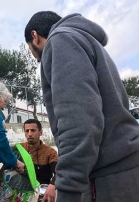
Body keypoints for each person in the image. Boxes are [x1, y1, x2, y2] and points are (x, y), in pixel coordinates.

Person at [24, 11, 139, 202]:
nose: (36, 58)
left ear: (34, 36)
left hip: (108, 179)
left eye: (29, 47)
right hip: (123, 172)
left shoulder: (60, 41)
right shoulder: (87, 42)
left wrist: (68, 191)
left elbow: (80, 124)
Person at [20, 119, 57, 202]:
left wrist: (52, 185)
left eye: (33, 130)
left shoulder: (50, 152)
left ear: (40, 132)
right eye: (27, 131)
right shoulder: (19, 149)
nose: (29, 134)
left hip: (43, 194)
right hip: (22, 194)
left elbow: (59, 172)